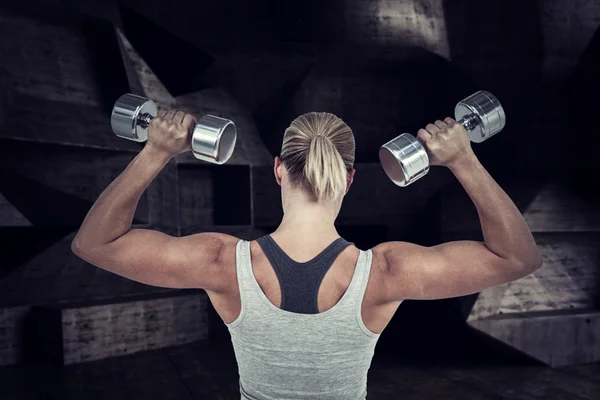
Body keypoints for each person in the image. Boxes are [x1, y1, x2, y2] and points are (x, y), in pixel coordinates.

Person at [71, 109, 543, 400]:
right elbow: (517, 258)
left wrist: (156, 150)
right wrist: (462, 158)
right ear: (349, 178)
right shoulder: (386, 271)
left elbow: (95, 244)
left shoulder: (221, 262)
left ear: (279, 170)